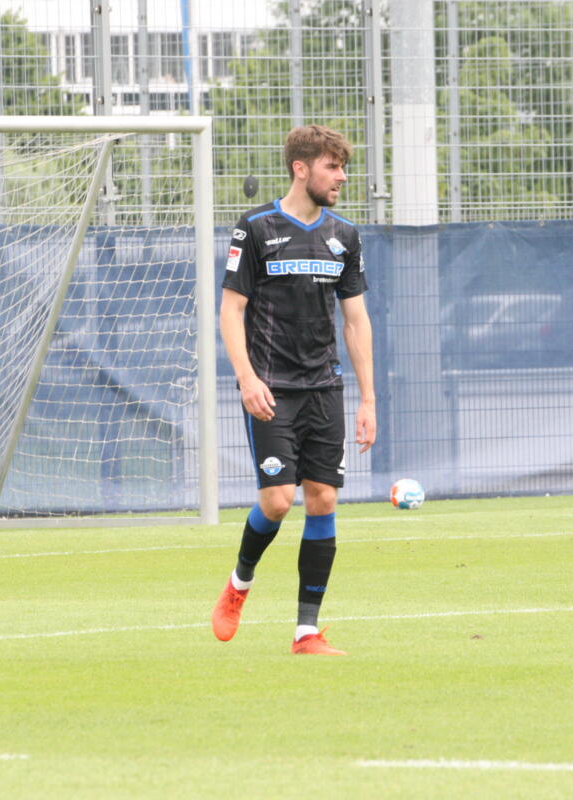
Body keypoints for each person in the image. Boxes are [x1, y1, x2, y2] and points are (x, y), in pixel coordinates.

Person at [212, 125, 376, 655]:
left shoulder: (345, 236)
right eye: (333, 166)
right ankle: (239, 584)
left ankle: (306, 631)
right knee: (280, 501)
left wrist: (368, 400)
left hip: (323, 387)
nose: (343, 176)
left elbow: (356, 321)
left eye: (344, 166)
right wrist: (246, 377)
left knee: (323, 498)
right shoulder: (256, 228)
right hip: (271, 387)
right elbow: (231, 310)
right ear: (300, 168)